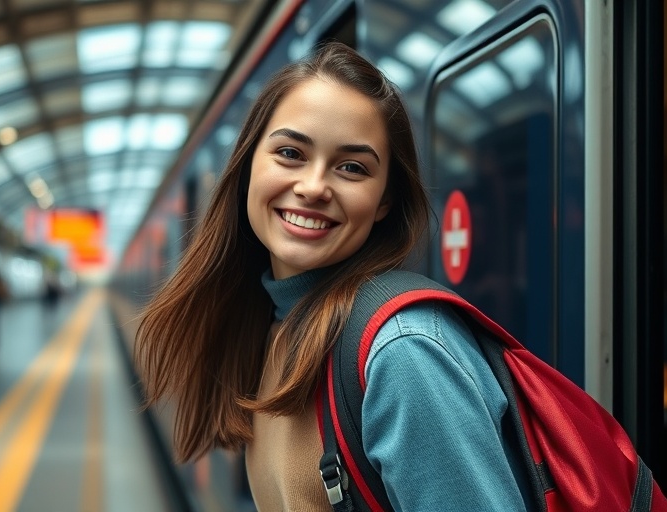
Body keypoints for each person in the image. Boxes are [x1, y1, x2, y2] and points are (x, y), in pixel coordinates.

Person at [135, 42, 532, 511]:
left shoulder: (403, 353)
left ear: (384, 200)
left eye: (351, 167)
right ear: (248, 166)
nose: (313, 187)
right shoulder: (274, 323)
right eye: (289, 153)